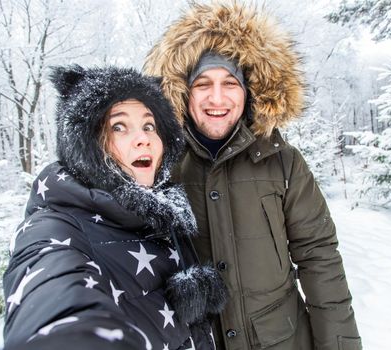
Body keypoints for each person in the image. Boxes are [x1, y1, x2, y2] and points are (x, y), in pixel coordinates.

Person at [144, 3, 362, 350]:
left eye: (230, 83)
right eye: (203, 84)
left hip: (283, 341)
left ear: (249, 92)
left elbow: (319, 257)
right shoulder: (159, 167)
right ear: (183, 92)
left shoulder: (283, 162)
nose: (217, 98)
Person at [3, 65, 227, 349]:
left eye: (149, 125)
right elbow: (50, 289)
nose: (143, 137)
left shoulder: (163, 211)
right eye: (118, 126)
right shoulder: (55, 225)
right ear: (85, 143)